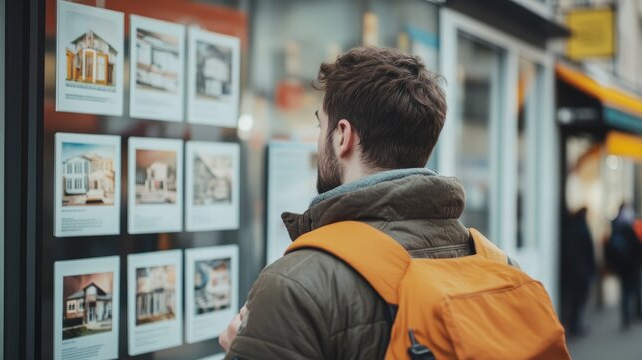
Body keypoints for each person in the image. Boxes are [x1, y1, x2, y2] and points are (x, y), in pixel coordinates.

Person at [220, 47, 514, 359]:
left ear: (342, 136)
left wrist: (243, 347)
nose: (319, 140)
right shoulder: (500, 267)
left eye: (321, 126)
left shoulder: (293, 286)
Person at [605, 204, 642, 330]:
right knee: (633, 291)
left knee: (626, 292)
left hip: (623, 268)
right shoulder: (629, 228)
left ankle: (627, 318)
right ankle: (634, 315)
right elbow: (637, 247)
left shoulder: (616, 227)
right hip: (631, 267)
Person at [560, 207, 596, 337]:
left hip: (571, 270)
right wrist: (592, 269)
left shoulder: (570, 228)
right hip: (582, 270)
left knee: (573, 299)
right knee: (580, 299)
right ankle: (577, 326)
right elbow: (589, 250)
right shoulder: (583, 229)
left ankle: (573, 325)